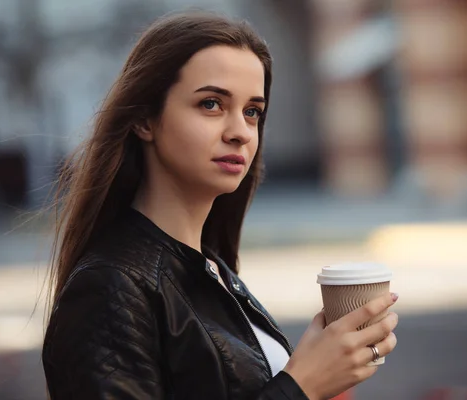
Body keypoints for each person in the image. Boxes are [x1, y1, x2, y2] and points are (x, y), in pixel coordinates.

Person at [42, 11, 399, 400]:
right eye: (211, 104)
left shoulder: (211, 268)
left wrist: (327, 376)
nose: (240, 133)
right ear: (145, 119)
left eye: (252, 112)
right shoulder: (111, 288)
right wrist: (301, 387)